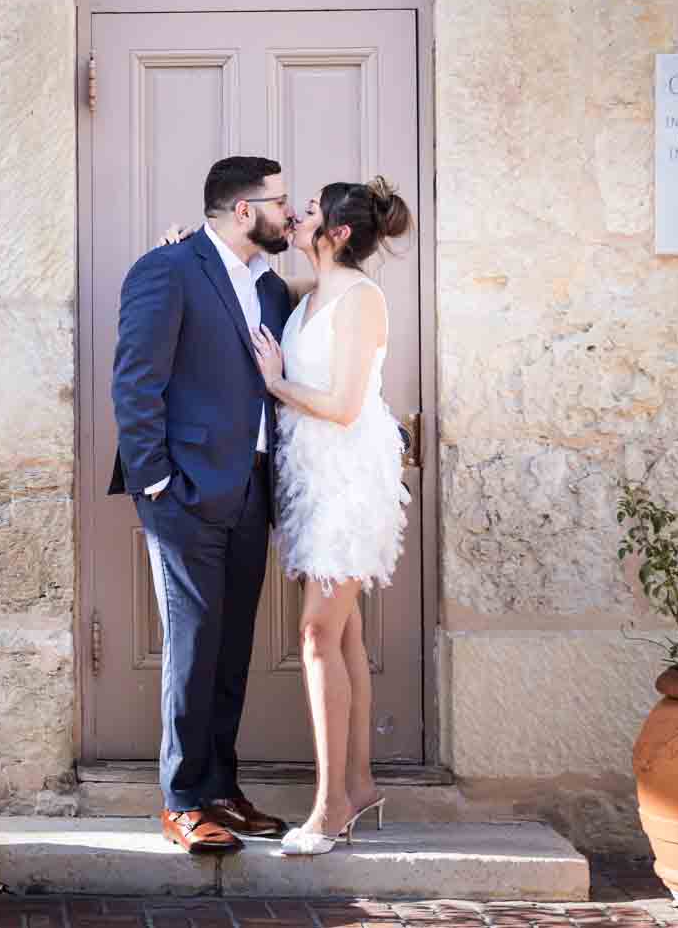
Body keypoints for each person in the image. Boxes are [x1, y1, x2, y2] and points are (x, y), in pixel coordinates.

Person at [108, 156, 298, 854]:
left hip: (251, 489)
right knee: (193, 644)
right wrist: (155, 480)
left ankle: (221, 787)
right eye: (282, 201)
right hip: (183, 491)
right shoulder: (168, 269)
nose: (291, 211)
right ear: (246, 210)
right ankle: (183, 799)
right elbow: (135, 379)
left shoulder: (270, 289)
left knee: (231, 646)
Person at [249, 176, 413, 856]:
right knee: (341, 636)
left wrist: (276, 381)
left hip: (349, 482)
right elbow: (245, 276)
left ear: (337, 232)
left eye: (309, 211)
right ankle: (362, 783)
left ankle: (331, 806)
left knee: (318, 633)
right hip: (310, 479)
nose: (296, 216)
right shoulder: (309, 293)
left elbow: (345, 405)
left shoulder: (362, 299)